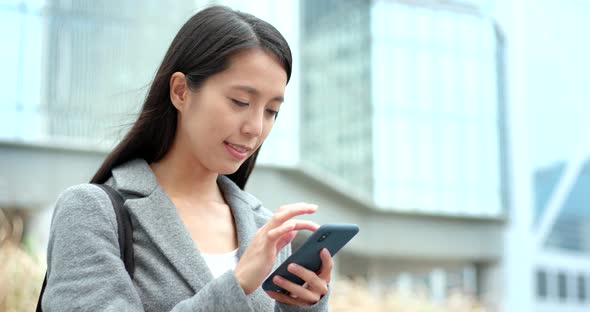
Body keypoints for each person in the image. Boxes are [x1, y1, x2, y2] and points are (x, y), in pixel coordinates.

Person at [41, 5, 332, 311]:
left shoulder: (264, 229)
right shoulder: (91, 212)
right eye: (240, 101)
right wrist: (236, 285)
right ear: (181, 91)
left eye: (271, 110)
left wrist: (302, 307)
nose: (256, 128)